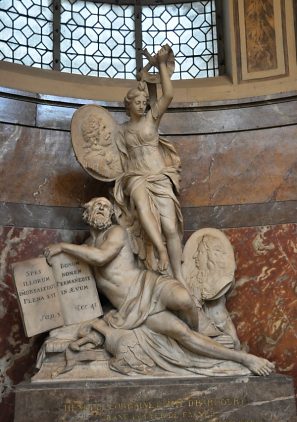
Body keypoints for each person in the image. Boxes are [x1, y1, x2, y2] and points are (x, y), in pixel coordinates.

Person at [45, 197, 274, 376]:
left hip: (147, 284)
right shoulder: (84, 248)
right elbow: (78, 288)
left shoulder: (115, 232)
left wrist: (63, 247)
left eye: (106, 207)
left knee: (183, 299)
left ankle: (201, 330)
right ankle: (244, 359)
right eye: (98, 206)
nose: (103, 209)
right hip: (130, 309)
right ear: (87, 214)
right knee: (180, 333)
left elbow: (101, 257)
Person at [113, 44, 185, 285]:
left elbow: (169, 94)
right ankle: (160, 250)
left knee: (171, 228)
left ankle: (179, 275)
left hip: (158, 175)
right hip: (135, 176)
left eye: (145, 101)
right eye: (138, 102)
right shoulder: (120, 131)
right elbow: (114, 161)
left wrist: (162, 65)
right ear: (128, 105)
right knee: (142, 208)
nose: (143, 104)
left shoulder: (152, 119)